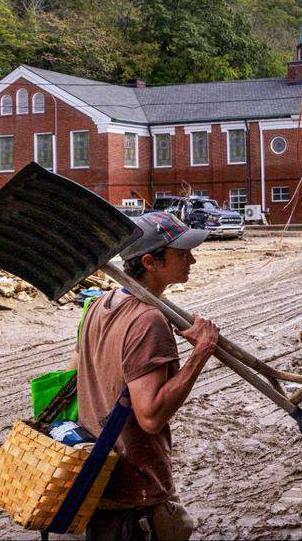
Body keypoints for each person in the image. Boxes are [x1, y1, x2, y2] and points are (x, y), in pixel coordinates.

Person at [76, 211, 216, 541]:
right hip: (134, 492)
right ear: (151, 261)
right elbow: (150, 417)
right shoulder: (148, 320)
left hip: (100, 483)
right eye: (183, 254)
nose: (192, 260)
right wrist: (201, 352)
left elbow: (78, 370)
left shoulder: (102, 303)